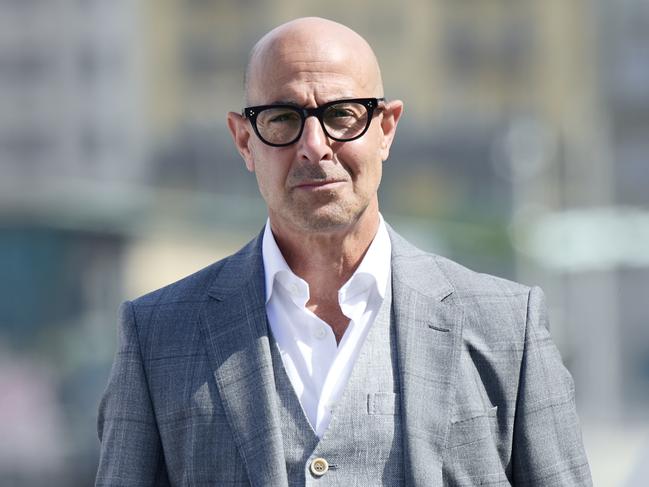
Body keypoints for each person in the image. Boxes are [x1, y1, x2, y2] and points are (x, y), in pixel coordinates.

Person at [96, 17, 592, 486]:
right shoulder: (158, 335)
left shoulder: (507, 327)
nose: (315, 145)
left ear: (387, 129)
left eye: (341, 115)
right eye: (283, 118)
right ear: (244, 140)